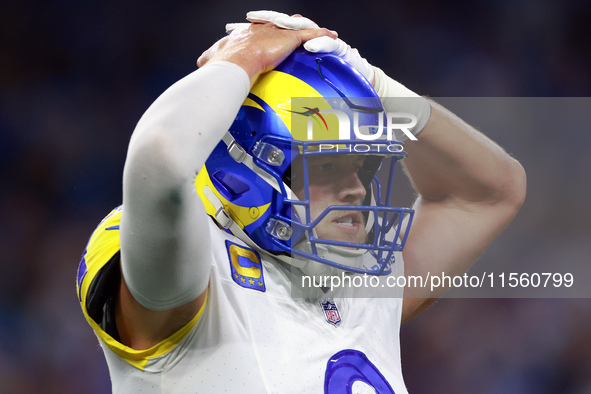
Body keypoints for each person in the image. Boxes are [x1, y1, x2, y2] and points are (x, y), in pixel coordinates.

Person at [76, 11, 526, 393]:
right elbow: (160, 161)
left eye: (362, 168)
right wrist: (239, 60)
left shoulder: (360, 274)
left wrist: (371, 82)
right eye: (324, 167)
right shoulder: (195, 271)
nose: (355, 189)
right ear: (244, 168)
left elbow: (489, 190)